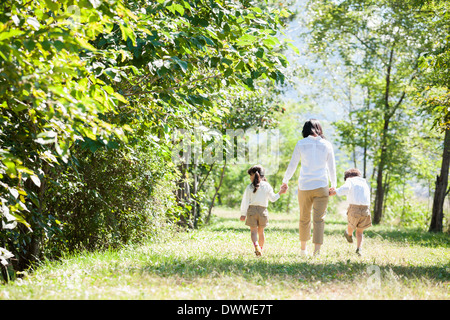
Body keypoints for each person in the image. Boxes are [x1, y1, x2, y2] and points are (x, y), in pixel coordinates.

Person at [281, 119, 336, 257]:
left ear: (305, 130)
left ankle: (303, 250)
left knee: (304, 217)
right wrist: (334, 185)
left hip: (304, 186)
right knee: (319, 219)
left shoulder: (301, 144)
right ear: (319, 129)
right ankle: (316, 252)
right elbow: (331, 167)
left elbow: (293, 164)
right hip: (321, 185)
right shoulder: (327, 145)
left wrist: (285, 180)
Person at [240, 164, 287, 256]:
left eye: (250, 175)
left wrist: (243, 213)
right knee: (261, 232)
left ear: (254, 175)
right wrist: (280, 192)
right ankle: (260, 249)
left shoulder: (249, 187)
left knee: (253, 232)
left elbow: (245, 201)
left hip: (252, 211)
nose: (250, 178)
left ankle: (256, 246)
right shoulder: (267, 186)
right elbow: (273, 199)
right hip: (263, 212)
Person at [329, 168, 371, 256]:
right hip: (366, 209)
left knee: (351, 224)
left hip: (354, 208)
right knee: (360, 231)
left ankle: (348, 233)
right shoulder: (364, 183)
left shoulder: (350, 181)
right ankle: (359, 249)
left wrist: (335, 191)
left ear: (347, 177)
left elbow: (345, 188)